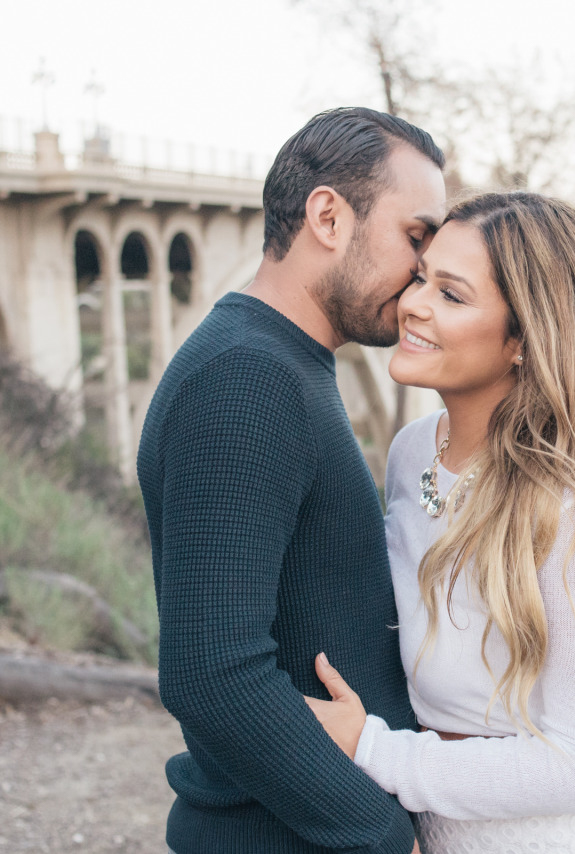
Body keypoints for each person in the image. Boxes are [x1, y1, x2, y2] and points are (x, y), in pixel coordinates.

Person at [305, 192, 575, 853]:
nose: (414, 303)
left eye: (452, 295)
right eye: (421, 277)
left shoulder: (571, 508)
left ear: (523, 339)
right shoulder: (412, 453)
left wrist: (375, 750)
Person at [137, 107, 447, 854]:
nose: (421, 277)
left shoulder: (284, 364)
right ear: (329, 217)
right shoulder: (247, 379)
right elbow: (211, 673)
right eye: (415, 238)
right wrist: (377, 834)